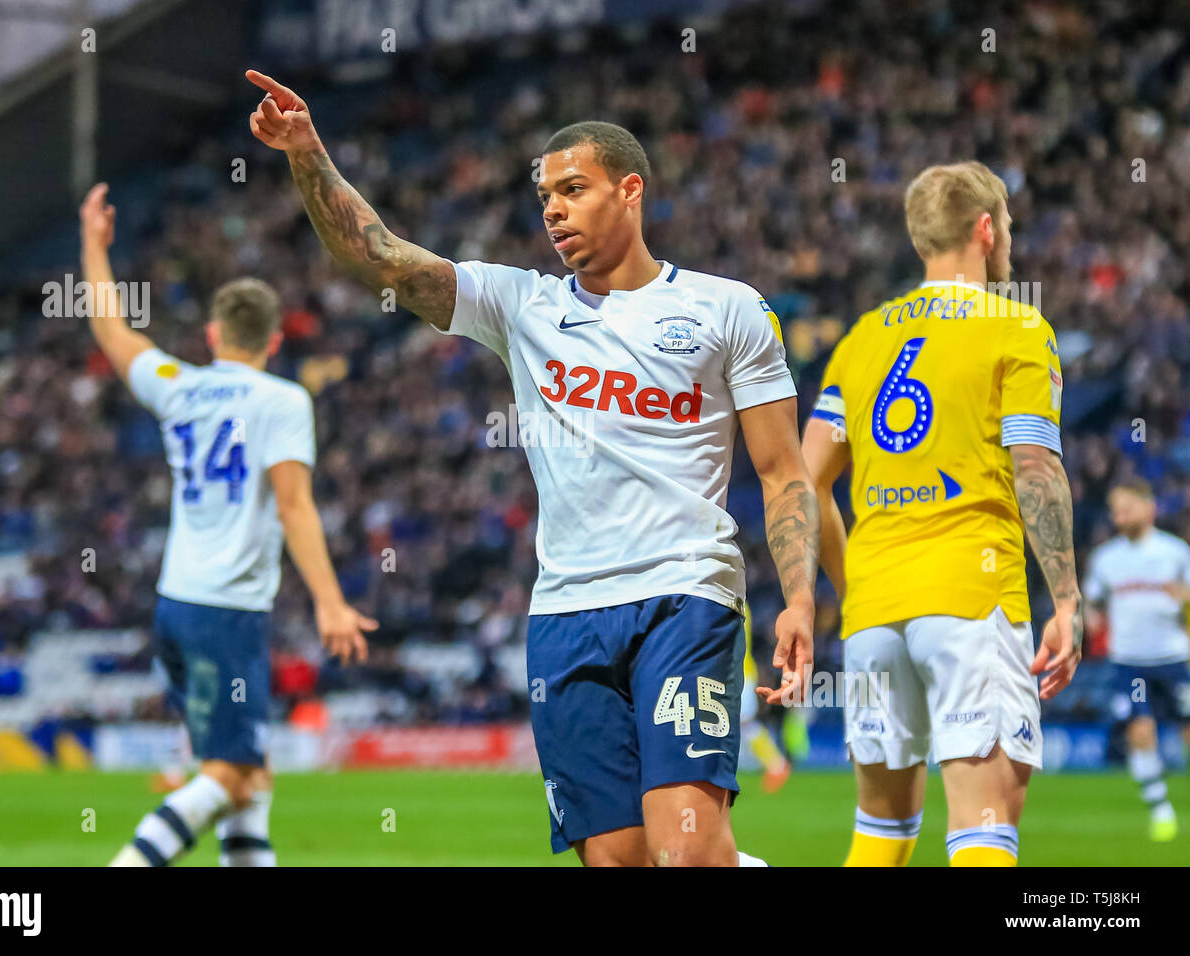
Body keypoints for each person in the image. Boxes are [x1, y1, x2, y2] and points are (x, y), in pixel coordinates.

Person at [246, 69, 820, 866]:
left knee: (683, 852)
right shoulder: (520, 304)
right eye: (544, 194)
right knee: (618, 860)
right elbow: (380, 258)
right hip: (565, 617)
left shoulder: (729, 309)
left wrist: (797, 599)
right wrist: (307, 154)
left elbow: (784, 472)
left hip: (684, 599)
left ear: (630, 190)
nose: (551, 208)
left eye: (572, 188)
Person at [77, 183, 375, 867]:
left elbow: (113, 332)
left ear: (212, 336)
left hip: (175, 606)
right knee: (231, 775)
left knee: (251, 778)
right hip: (228, 612)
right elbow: (295, 505)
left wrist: (94, 246)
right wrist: (331, 602)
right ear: (274, 340)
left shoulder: (177, 383)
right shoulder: (283, 400)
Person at [801, 162, 1083, 867]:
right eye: (1007, 224)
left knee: (880, 836)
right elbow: (1037, 468)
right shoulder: (1016, 325)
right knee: (983, 829)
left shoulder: (863, 338)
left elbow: (804, 483)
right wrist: (1068, 600)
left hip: (875, 614)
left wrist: (851, 584)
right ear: (986, 229)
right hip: (969, 599)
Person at [1084, 479, 1190, 841]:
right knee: (1140, 731)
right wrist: (1089, 618)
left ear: (1150, 508)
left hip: (1174, 659)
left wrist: (1185, 600)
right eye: (1114, 509)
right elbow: (1092, 603)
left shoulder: (1175, 553)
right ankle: (1161, 811)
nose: (1118, 515)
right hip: (1129, 662)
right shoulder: (1105, 558)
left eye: (1126, 507)